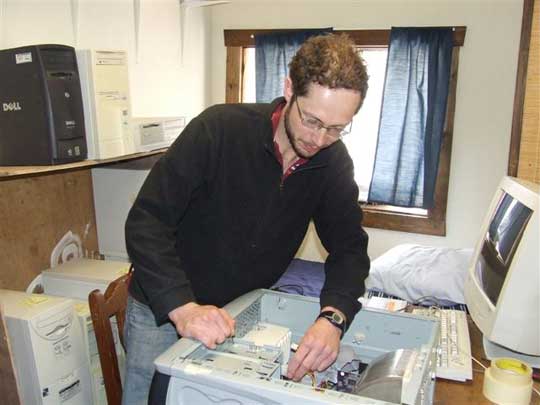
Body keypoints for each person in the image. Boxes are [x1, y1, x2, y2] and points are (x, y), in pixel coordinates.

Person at [123, 33, 370, 405]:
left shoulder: (332, 162)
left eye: (336, 128)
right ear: (289, 89)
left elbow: (349, 248)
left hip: (236, 314)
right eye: (313, 121)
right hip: (163, 306)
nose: (320, 139)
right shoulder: (218, 129)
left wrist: (333, 318)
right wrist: (184, 308)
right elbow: (146, 221)